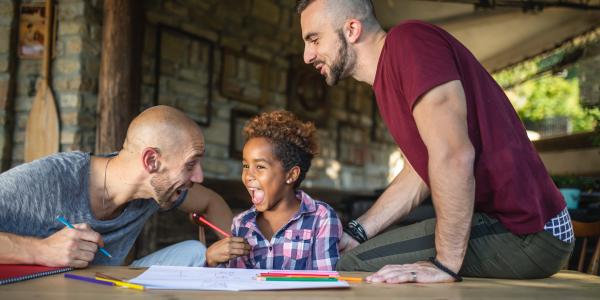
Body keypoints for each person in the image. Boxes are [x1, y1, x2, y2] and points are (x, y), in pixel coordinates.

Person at [296, 0, 573, 283]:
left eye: (314, 40)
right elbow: (420, 172)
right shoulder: (389, 77)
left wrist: (444, 265)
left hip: (529, 232)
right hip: (521, 229)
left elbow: (453, 154)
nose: (307, 55)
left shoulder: (410, 42)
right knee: (353, 256)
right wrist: (357, 231)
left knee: (350, 265)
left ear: (352, 29)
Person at [0, 105, 233, 268]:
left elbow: (211, 202)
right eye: (190, 164)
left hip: (98, 289)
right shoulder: (51, 179)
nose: (199, 176)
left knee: (194, 253)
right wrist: (42, 251)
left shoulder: (159, 190)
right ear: (151, 161)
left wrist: (240, 255)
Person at [205, 110, 342, 270]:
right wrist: (211, 261)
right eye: (246, 166)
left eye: (260, 167)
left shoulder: (321, 218)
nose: (248, 175)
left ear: (291, 175)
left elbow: (326, 285)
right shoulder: (241, 224)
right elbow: (235, 284)